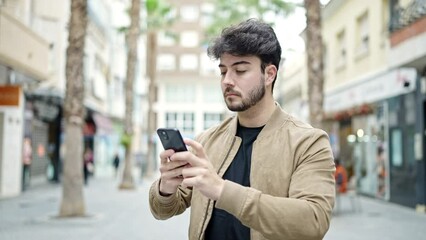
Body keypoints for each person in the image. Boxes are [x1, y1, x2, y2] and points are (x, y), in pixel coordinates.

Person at [149, 18, 335, 240]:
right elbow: (163, 210)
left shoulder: (309, 142)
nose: (227, 80)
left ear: (269, 74)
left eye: (240, 70)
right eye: (223, 71)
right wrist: (165, 188)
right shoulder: (207, 140)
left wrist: (222, 190)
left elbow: (314, 222)